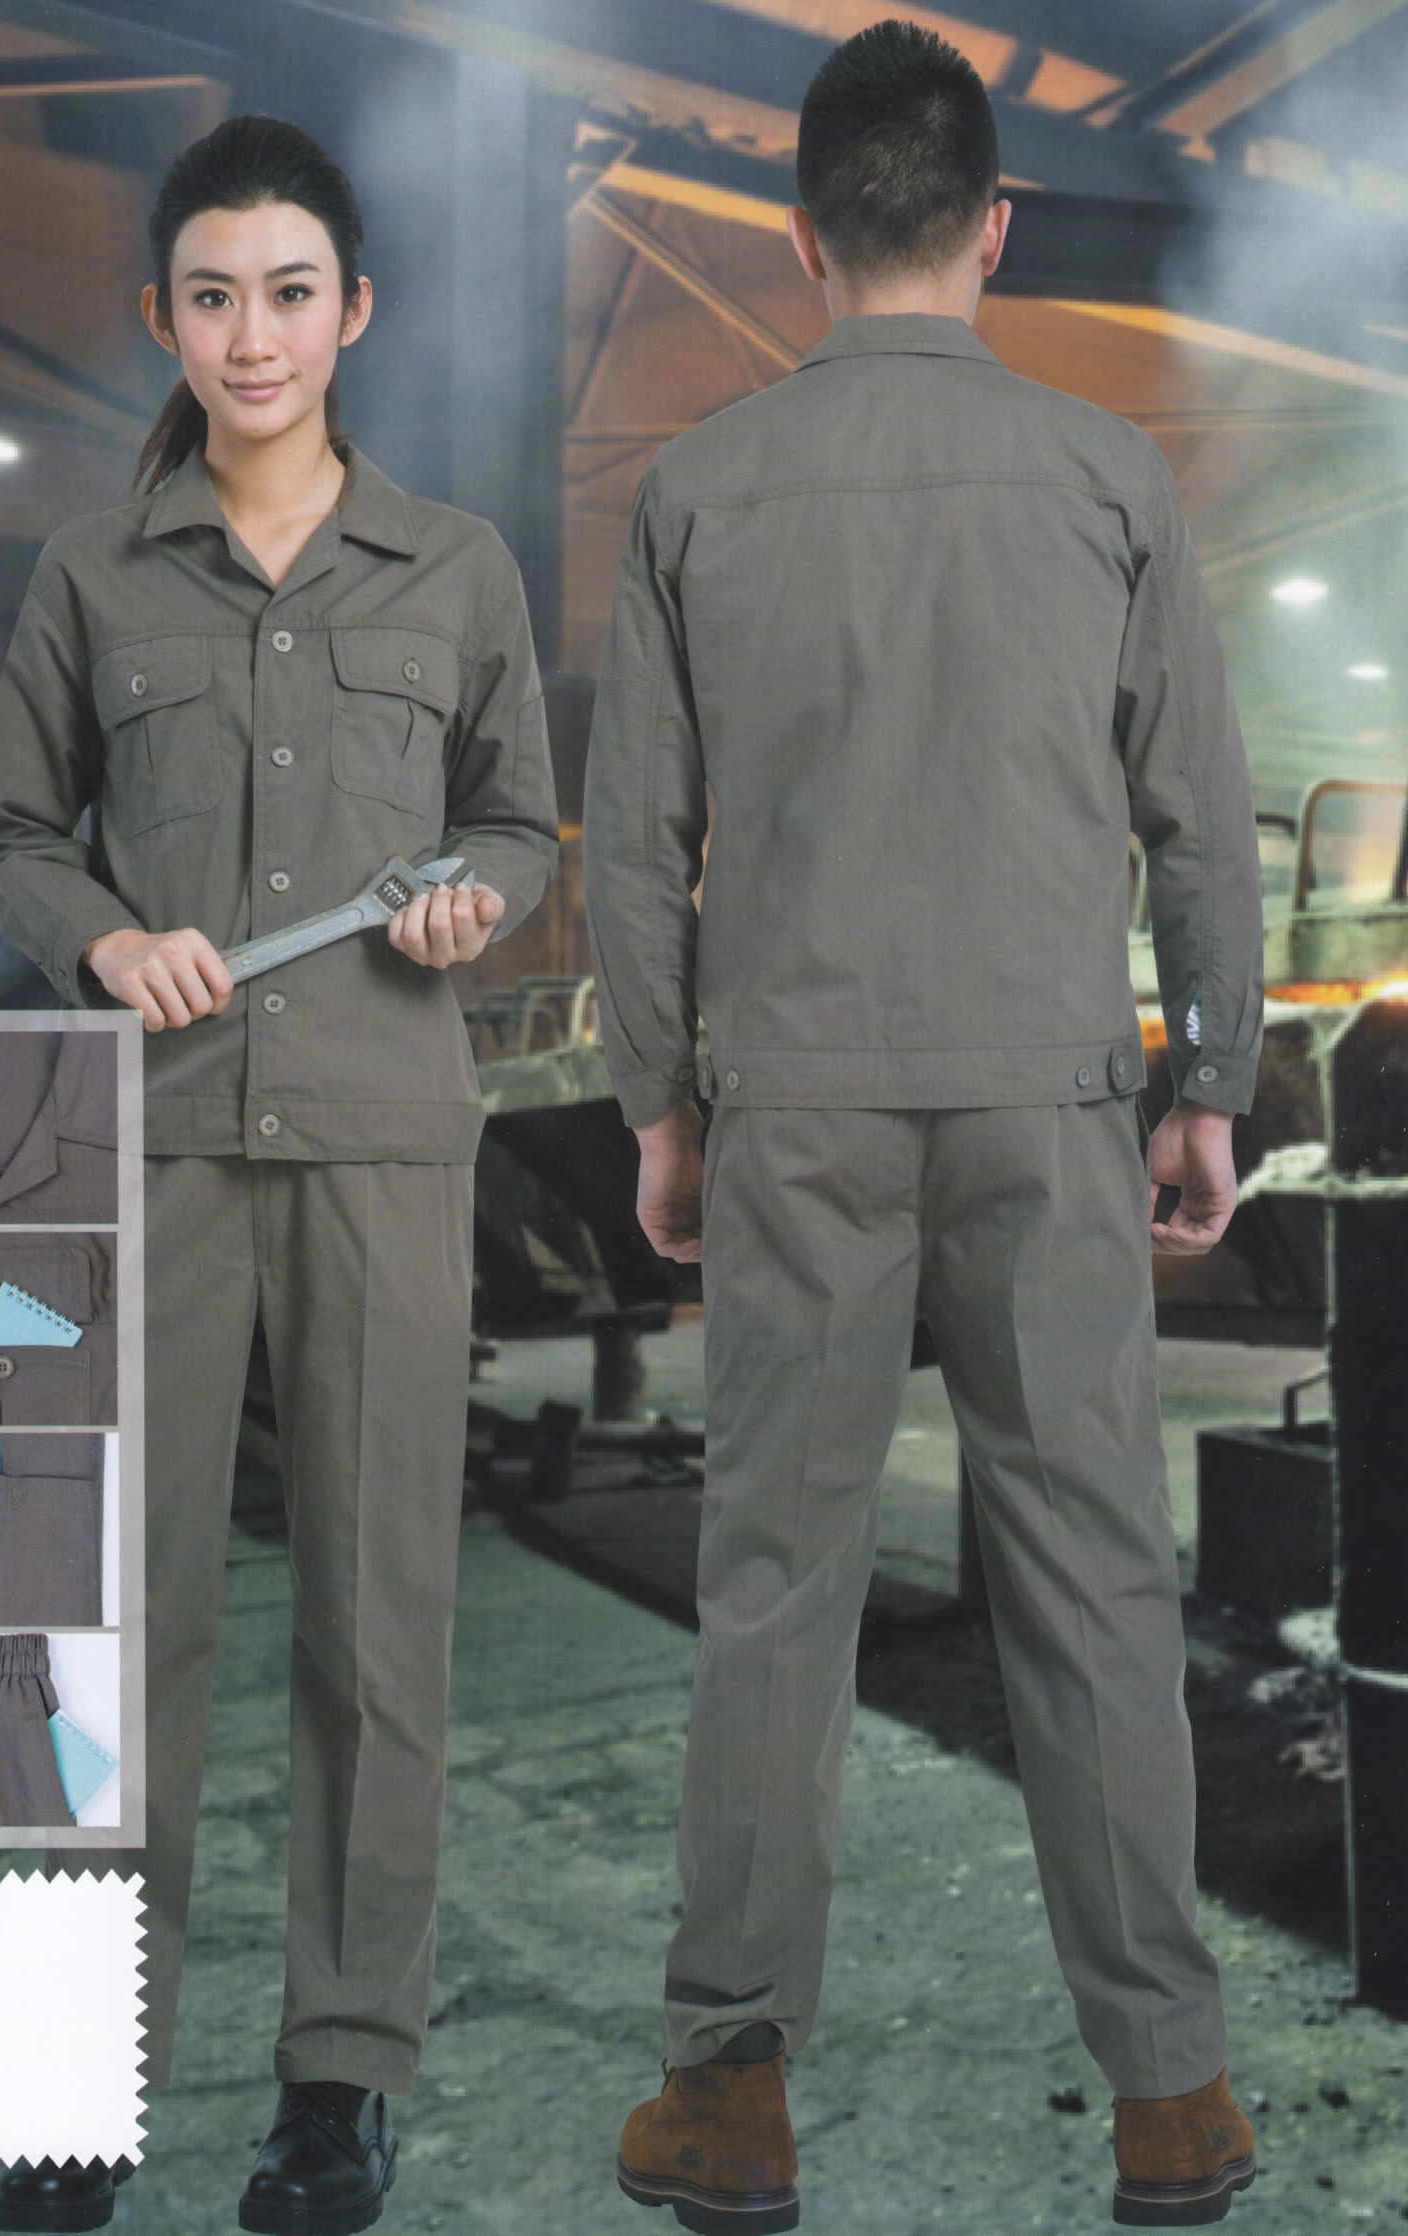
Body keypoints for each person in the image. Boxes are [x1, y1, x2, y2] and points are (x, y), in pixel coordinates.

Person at [582, 21, 1263, 2235]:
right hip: (1051, 1105)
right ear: (996, 226)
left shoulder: (697, 488)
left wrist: (661, 1103)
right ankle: (1173, 2095)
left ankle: (730, 2094)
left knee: (775, 1590)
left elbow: (634, 843)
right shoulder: (1107, 474)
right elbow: (1200, 821)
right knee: (1096, 1582)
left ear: (799, 239)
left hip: (791, 1113)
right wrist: (1211, 1081)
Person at [0, 115, 556, 2236]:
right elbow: (13, 831)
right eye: (213, 295)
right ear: (165, 315)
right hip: (151, 1146)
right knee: (101, 1632)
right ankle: (57, 2075)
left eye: (290, 292)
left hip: (387, 1141)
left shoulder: (456, 568)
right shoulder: (93, 572)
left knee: (376, 1630)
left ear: (352, 310)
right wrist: (101, 939)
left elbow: (519, 821)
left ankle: (342, 2081)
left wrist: (476, 902)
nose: (252, 335)